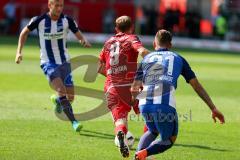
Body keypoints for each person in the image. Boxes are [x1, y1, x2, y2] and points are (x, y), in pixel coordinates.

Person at [131, 29, 225, 160]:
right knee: (169, 139)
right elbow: (195, 85)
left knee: (152, 131)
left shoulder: (146, 58)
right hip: (163, 102)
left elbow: (134, 88)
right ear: (170, 45)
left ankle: (140, 154)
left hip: (144, 102)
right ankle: (143, 154)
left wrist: (136, 104)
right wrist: (213, 108)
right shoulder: (178, 58)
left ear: (154, 44)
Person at [15, 0, 91, 132]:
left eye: (61, 5)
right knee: (61, 90)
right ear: (50, 6)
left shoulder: (68, 20)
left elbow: (78, 34)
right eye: (56, 5)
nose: (59, 8)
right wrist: (18, 52)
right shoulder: (39, 20)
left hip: (65, 62)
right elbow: (24, 33)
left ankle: (57, 101)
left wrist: (83, 40)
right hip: (48, 62)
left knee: (70, 97)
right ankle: (74, 121)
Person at [98, 15, 149, 158]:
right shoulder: (132, 38)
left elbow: (99, 68)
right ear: (131, 27)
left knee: (120, 120)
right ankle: (145, 147)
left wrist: (113, 76)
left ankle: (121, 133)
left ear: (116, 28)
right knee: (147, 115)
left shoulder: (107, 43)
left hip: (112, 86)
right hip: (132, 85)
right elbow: (142, 51)